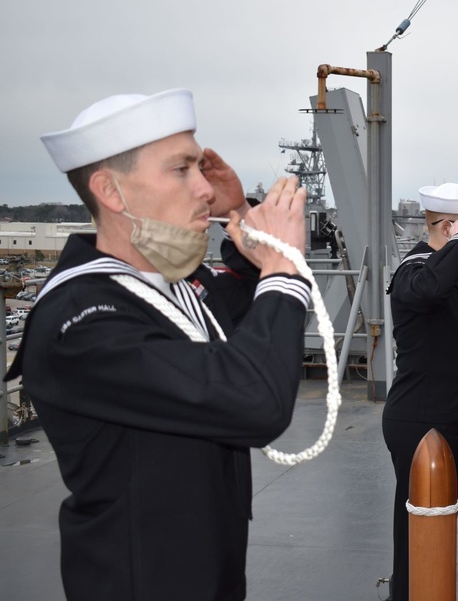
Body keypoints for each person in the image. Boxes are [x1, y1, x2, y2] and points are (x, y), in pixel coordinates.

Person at [2, 89, 310, 601]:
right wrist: (285, 267)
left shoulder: (168, 284)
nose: (204, 191)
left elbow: (252, 312)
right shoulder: (81, 321)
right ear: (111, 190)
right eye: (181, 170)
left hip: (209, 571)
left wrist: (241, 212)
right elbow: (255, 399)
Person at [381, 183, 458, 601]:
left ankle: (419, 590)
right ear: (448, 227)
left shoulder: (454, 270)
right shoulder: (414, 269)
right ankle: (405, 594)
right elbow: (427, 290)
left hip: (451, 413)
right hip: (422, 418)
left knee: (437, 518)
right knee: (418, 520)